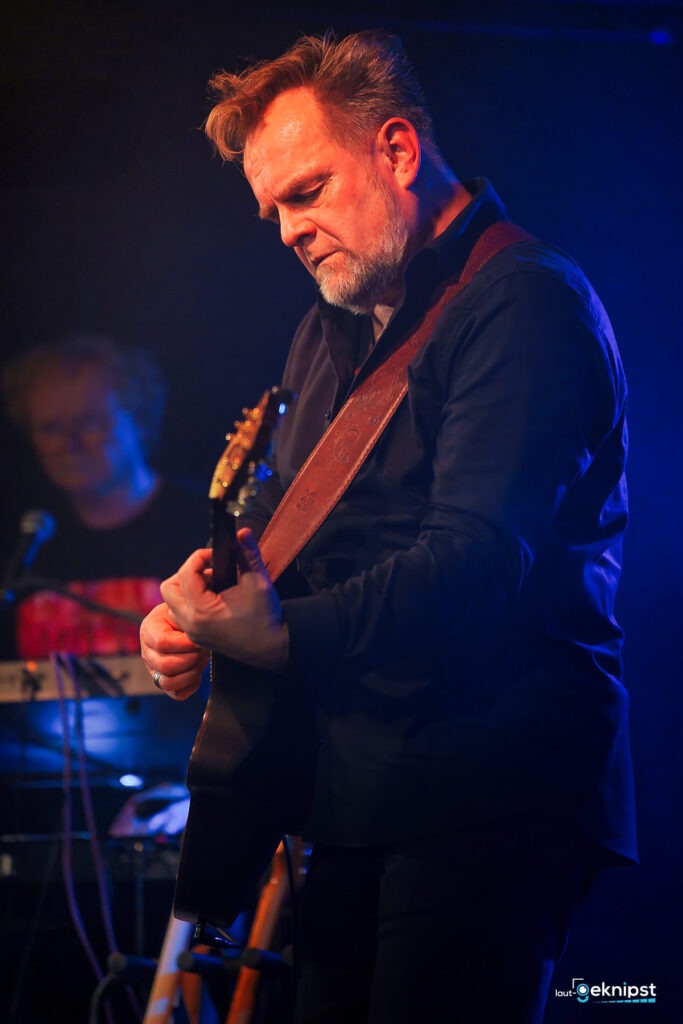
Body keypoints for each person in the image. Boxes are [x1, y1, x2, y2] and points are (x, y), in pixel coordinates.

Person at [140, 30, 637, 1024]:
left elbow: (473, 561)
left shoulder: (520, 303)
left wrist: (280, 636)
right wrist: (199, 612)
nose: (286, 230)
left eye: (306, 192)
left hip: (487, 788)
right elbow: (294, 547)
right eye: (270, 210)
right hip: (356, 791)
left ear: (398, 152)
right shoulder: (324, 332)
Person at [1, 334, 204, 659]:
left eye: (91, 422)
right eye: (51, 428)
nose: (71, 443)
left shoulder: (204, 525)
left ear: (137, 420)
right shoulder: (25, 545)